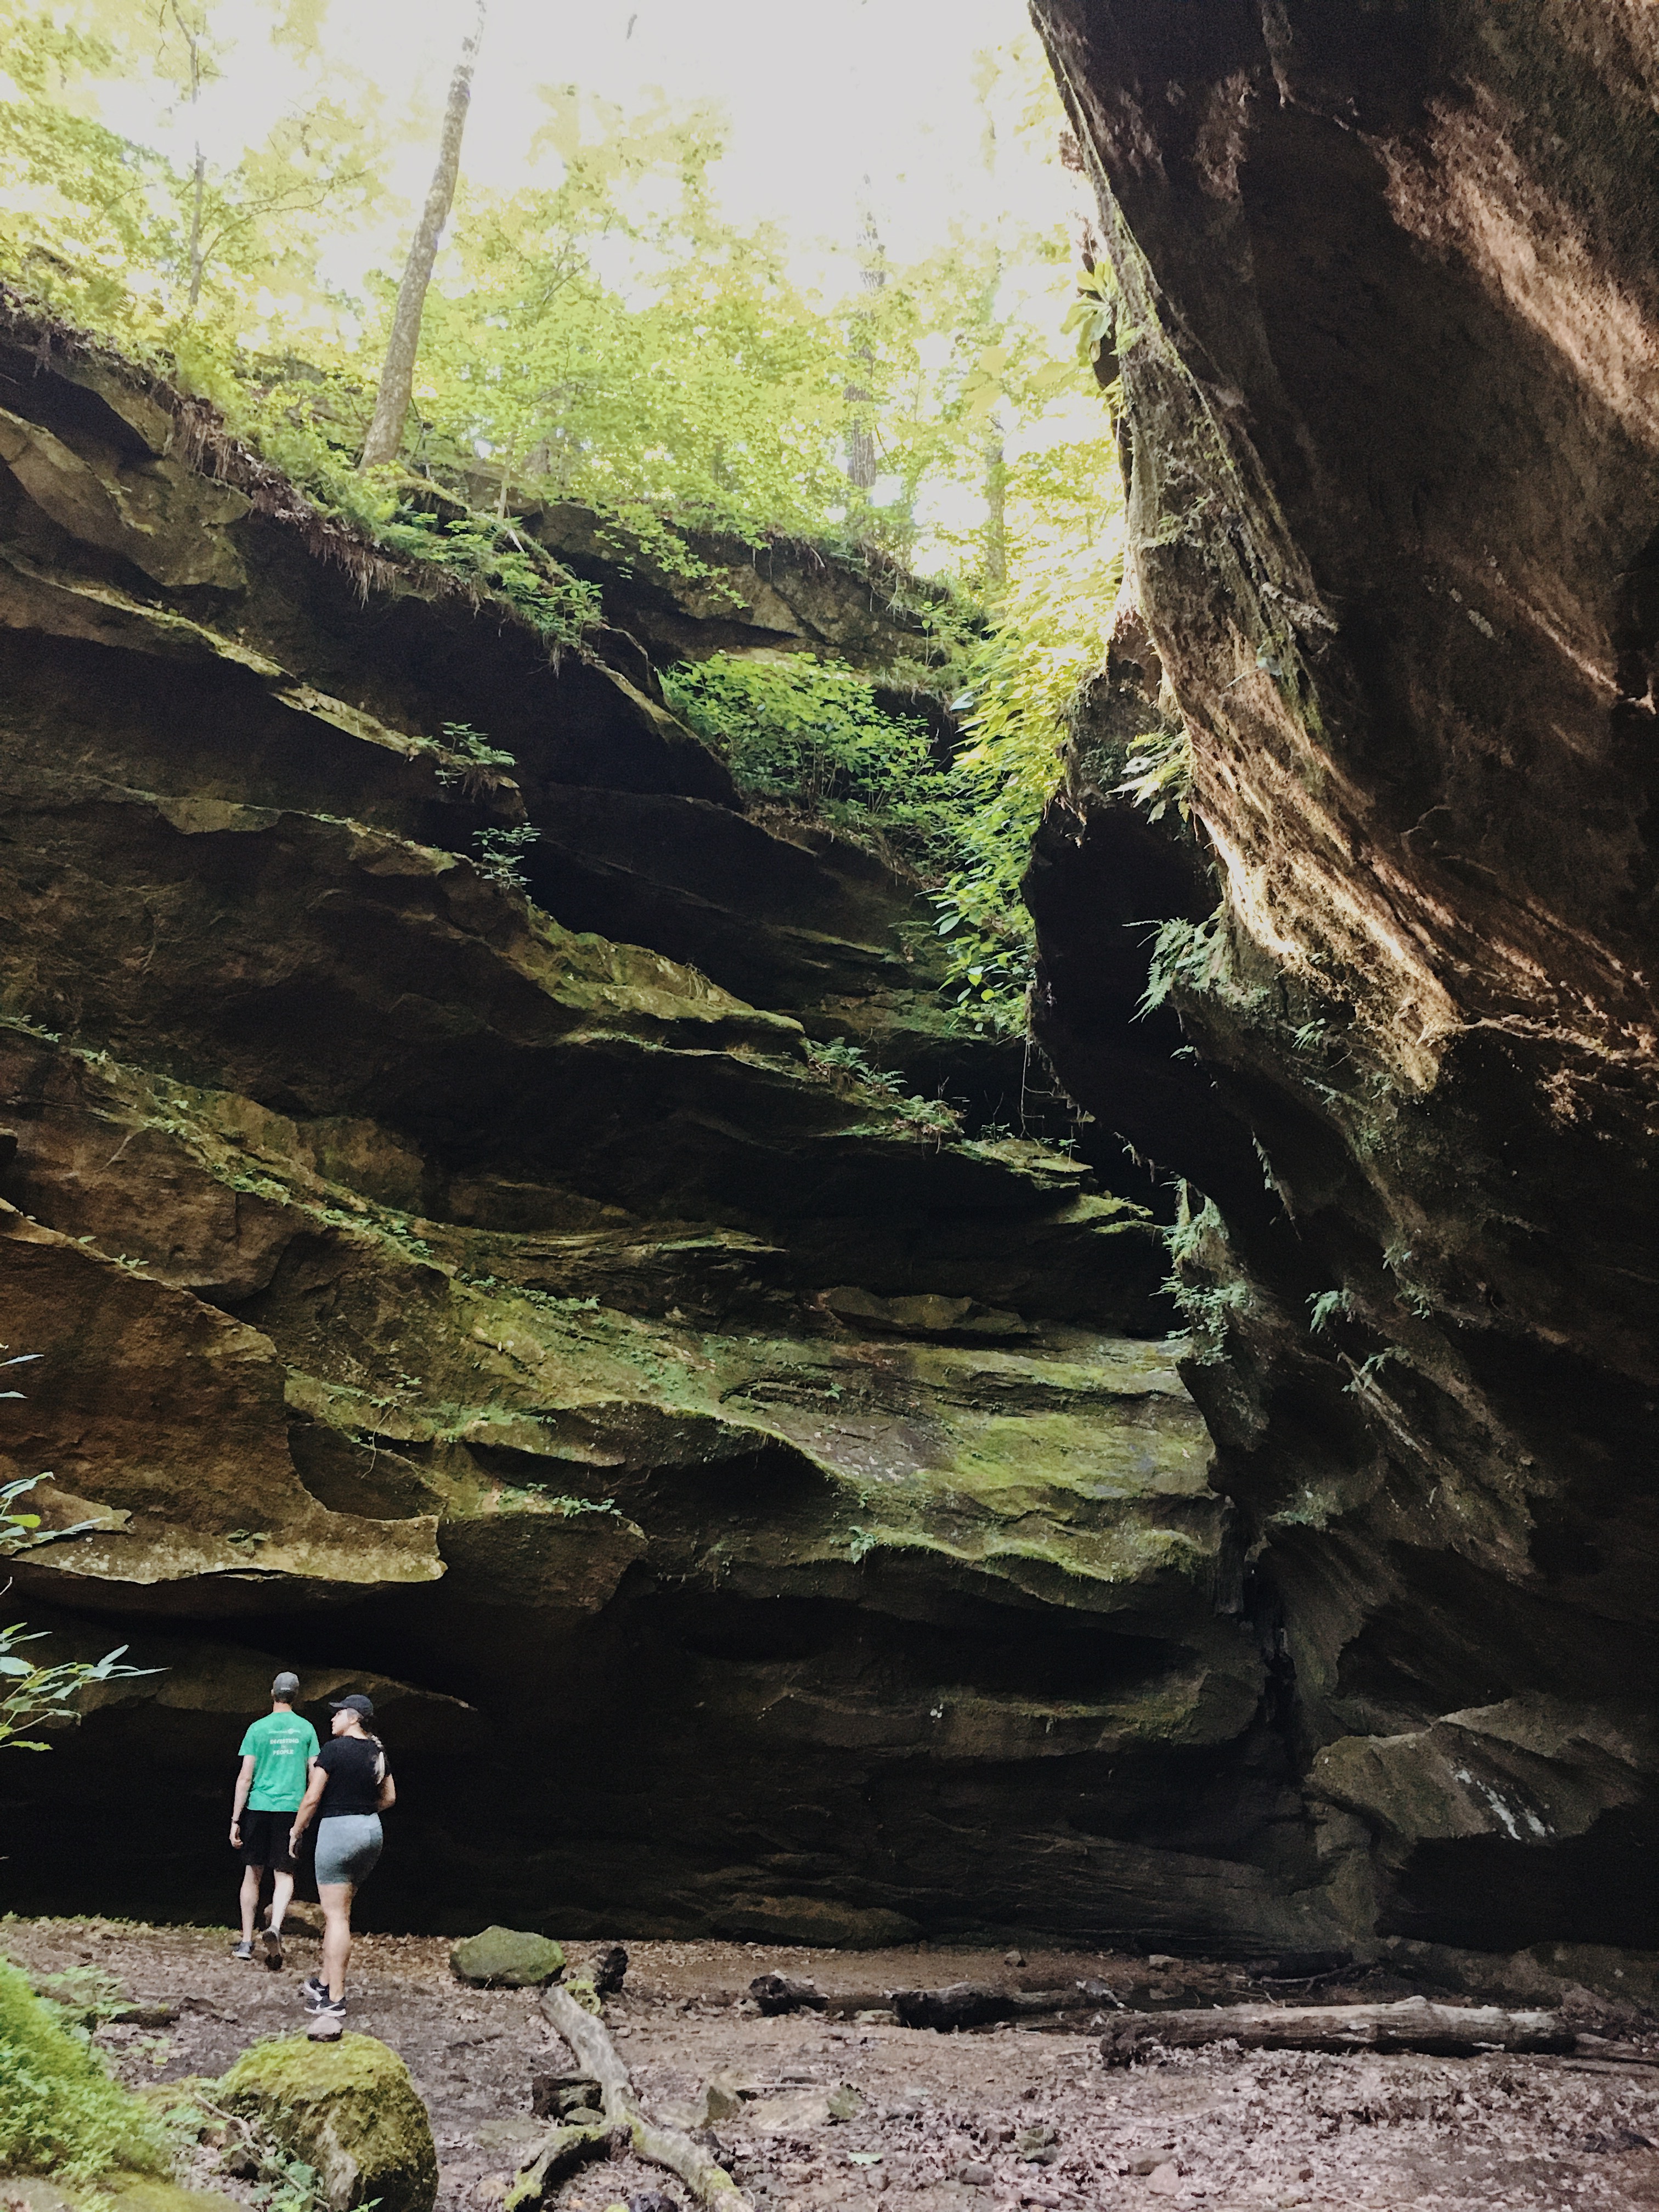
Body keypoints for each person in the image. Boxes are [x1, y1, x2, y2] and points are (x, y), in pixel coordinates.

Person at [288, 1692, 394, 2028]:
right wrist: (363, 1814)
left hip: (338, 1833)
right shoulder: (377, 1751)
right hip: (370, 1832)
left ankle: (334, 1999)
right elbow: (390, 1797)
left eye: (337, 1715)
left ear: (353, 1718)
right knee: (342, 1914)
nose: (332, 1720)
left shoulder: (332, 1751)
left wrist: (296, 1830)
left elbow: (312, 1797)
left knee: (334, 1917)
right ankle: (323, 1982)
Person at [230, 1671, 319, 1967]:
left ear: (273, 1694)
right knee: (284, 1873)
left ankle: (245, 1941)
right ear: (295, 1696)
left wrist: (235, 1819)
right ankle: (276, 1926)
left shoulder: (257, 1729)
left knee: (252, 1873)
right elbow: (314, 1773)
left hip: (259, 1806)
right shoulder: (306, 1729)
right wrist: (309, 1809)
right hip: (291, 1809)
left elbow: (245, 1778)